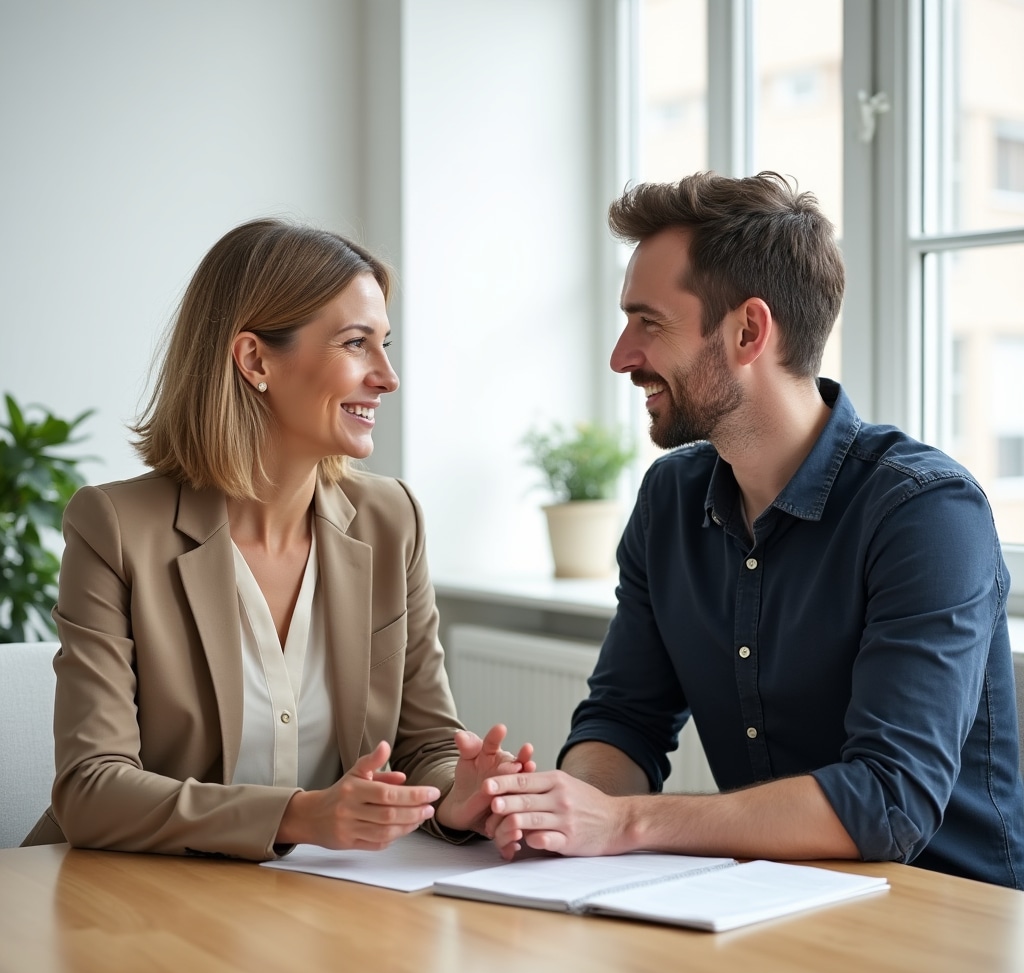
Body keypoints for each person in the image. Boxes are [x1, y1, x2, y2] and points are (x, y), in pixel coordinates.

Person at [484, 170, 1024, 888]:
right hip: (759, 898)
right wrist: (563, 809)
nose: (621, 355)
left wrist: (626, 824)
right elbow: (623, 720)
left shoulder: (925, 512)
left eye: (649, 322)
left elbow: (889, 803)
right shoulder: (671, 500)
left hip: (942, 917)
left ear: (747, 331)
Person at [23, 218, 532, 859]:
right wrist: (299, 815)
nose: (387, 377)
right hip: (132, 905)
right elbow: (92, 790)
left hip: (317, 905)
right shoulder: (117, 529)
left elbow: (424, 743)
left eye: (385, 344)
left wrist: (454, 796)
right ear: (255, 359)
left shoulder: (390, 518)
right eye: (355, 344)